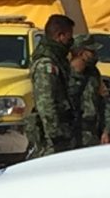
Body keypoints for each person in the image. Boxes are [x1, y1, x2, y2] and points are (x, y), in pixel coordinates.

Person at [25, 13, 80, 158]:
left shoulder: (59, 60)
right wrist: (55, 135)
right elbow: (46, 103)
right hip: (52, 140)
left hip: (64, 130)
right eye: (69, 37)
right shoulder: (46, 64)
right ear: (60, 36)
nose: (71, 41)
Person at [69, 41, 110, 146]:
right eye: (92, 52)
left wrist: (106, 130)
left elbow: (104, 102)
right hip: (70, 134)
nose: (95, 55)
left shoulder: (93, 73)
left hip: (90, 133)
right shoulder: (64, 74)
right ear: (81, 54)